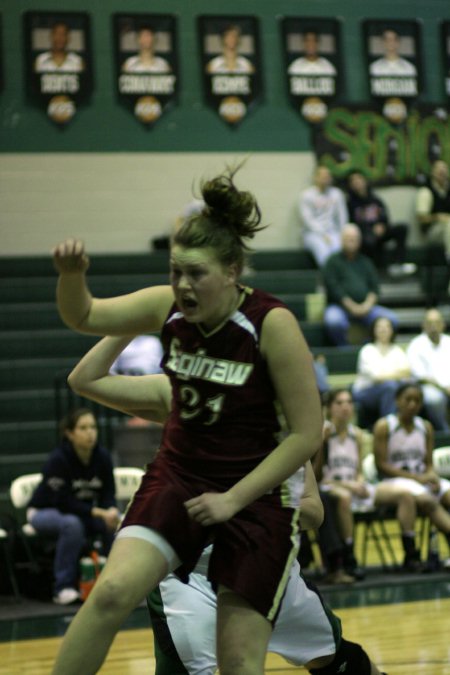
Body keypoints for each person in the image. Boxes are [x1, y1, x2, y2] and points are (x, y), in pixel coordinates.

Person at [50, 169, 324, 675]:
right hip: (181, 475)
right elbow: (83, 315)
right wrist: (72, 276)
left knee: (238, 664)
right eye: (176, 271)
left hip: (257, 497)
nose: (182, 285)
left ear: (233, 271)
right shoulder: (168, 307)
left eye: (196, 273)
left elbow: (307, 435)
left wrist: (232, 500)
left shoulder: (272, 324)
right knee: (109, 593)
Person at [68, 333, 386, 675]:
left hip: (265, 564)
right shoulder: (187, 398)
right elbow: (85, 379)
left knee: (336, 659)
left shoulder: (288, 426)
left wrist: (251, 505)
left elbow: (313, 512)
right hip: (190, 572)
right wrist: (127, 324)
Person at [27, 408, 120, 605]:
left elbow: (108, 493)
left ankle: (117, 584)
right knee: (73, 524)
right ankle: (63, 588)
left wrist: (110, 510)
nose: (90, 433)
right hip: (43, 512)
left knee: (115, 523)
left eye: (93, 427)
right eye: (83, 428)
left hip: (81, 513)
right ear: (70, 433)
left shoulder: (102, 457)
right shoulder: (59, 459)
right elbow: (62, 501)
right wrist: (97, 512)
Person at [373, 382, 450, 570]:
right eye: (408, 399)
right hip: (395, 481)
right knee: (428, 501)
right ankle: (411, 553)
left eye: (417, 400)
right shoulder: (385, 426)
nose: (413, 404)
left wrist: (432, 476)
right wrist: (417, 479)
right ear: (397, 401)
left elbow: (429, 463)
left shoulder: (426, 427)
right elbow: (381, 465)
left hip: (421, 479)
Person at [322, 224, 399, 346]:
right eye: (348, 238)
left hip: (366, 308)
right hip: (340, 307)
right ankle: (345, 350)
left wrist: (366, 306)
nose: (351, 241)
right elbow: (333, 289)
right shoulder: (332, 261)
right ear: (341, 240)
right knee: (334, 321)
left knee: (392, 319)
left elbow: (375, 288)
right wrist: (352, 306)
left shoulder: (366, 262)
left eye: (355, 238)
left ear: (360, 241)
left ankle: (368, 346)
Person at [346, 171, 417, 277]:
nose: (357, 182)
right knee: (369, 240)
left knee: (402, 229)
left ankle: (398, 264)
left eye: (359, 179)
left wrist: (382, 226)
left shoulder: (375, 199)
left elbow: (385, 216)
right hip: (364, 236)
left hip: (380, 231)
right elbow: (351, 224)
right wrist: (369, 229)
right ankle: (374, 271)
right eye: (354, 181)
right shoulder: (350, 203)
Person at [352, 317, 411, 428]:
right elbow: (377, 377)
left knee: (408, 388)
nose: (383, 330)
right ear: (374, 330)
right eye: (379, 327)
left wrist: (387, 375)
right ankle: (389, 428)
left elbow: (407, 372)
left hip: (390, 390)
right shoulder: (367, 350)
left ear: (392, 330)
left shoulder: (397, 350)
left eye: (386, 327)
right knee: (390, 387)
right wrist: (397, 374)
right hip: (365, 392)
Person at [406, 308, 450, 431]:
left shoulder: (448, 341)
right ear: (424, 326)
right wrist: (444, 387)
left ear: (443, 324)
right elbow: (421, 376)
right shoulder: (416, 345)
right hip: (428, 387)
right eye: (430, 323)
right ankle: (445, 431)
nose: (433, 326)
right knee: (434, 399)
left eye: (437, 322)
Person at [298, 166, 348, 267]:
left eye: (328, 176)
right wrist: (323, 233)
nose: (326, 178)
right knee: (322, 250)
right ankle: (329, 276)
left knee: (338, 249)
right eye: (323, 175)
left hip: (333, 232)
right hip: (312, 234)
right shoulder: (306, 195)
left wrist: (343, 233)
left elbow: (342, 217)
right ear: (315, 177)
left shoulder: (337, 194)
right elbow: (307, 220)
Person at [415, 159, 450, 264]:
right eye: (439, 169)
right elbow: (421, 218)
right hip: (433, 231)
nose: (442, 172)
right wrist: (438, 217)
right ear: (433, 172)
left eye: (444, 169)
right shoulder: (426, 191)